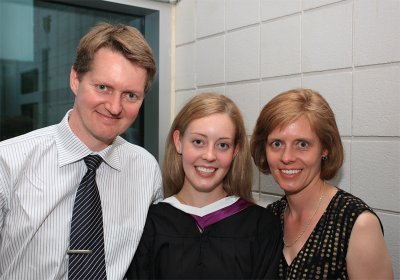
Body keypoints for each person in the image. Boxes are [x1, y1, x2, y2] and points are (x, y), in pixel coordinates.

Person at [0, 23, 163, 279]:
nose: (114, 106)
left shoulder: (146, 170)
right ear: (75, 79)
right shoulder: (8, 162)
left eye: (130, 95)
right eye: (103, 88)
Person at [125, 92, 283, 279]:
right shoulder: (150, 224)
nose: (209, 155)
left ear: (235, 151)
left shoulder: (261, 226)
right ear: (178, 142)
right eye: (198, 142)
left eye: (222, 145)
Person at [250, 88, 393, 279]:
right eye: (276, 143)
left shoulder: (357, 224)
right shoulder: (270, 217)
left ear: (325, 149)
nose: (287, 157)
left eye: (302, 144)